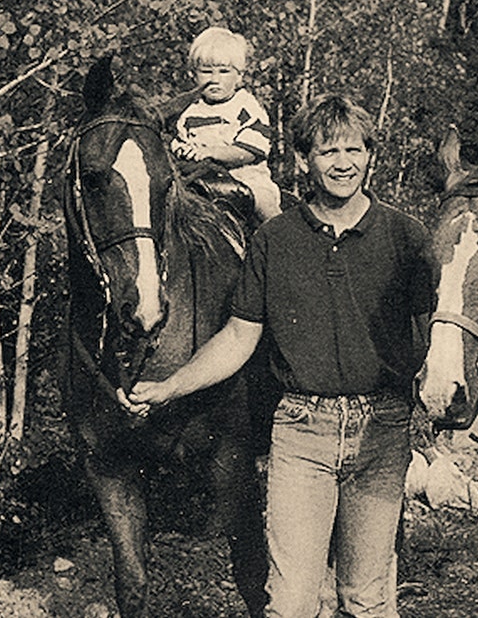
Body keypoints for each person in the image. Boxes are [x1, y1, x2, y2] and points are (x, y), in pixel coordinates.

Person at [125, 94, 438, 617]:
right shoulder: (275, 239)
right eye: (327, 151)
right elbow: (238, 337)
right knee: (290, 602)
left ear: (370, 156)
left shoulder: (406, 237)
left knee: (366, 599)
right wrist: (169, 386)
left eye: (354, 149)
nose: (342, 162)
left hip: (381, 432)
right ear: (301, 160)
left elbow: (434, 331)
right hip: (301, 433)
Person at [172, 26, 283, 222]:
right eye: (206, 72)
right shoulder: (189, 112)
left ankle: (281, 242)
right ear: (193, 75)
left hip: (245, 178)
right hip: (201, 180)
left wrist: (211, 152)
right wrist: (182, 150)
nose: (215, 80)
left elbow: (249, 151)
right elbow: (178, 142)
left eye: (224, 72)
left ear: (239, 75)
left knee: (264, 202)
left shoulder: (246, 107)